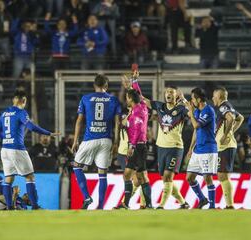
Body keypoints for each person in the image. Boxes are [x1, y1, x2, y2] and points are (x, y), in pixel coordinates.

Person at [128, 78, 189, 209]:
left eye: (172, 92)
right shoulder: (159, 106)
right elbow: (142, 99)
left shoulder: (181, 109)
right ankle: (183, 203)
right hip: (161, 147)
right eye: (167, 91)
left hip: (175, 148)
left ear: (176, 95)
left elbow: (194, 113)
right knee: (166, 179)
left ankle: (161, 205)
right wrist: (134, 82)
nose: (169, 94)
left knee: (168, 176)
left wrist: (184, 101)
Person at [0, 90, 60, 210]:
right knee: (30, 177)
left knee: (8, 178)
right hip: (17, 149)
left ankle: (10, 207)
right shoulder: (21, 112)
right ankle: (35, 206)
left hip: (5, 149)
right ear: (23, 101)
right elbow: (31, 126)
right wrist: (48, 133)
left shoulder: (4, 113)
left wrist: (8, 138)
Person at [71, 74, 121, 210]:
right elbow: (118, 122)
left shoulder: (86, 98)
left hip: (89, 139)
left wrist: (75, 140)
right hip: (106, 140)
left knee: (76, 166)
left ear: (94, 86)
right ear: (106, 86)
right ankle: (100, 206)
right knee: (102, 173)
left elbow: (79, 120)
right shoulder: (114, 100)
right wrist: (116, 142)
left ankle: (87, 197)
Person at [118, 69, 152, 209]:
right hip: (141, 146)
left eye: (127, 97)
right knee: (134, 175)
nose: (126, 99)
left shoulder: (136, 113)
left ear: (130, 99)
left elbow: (136, 131)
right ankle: (129, 203)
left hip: (137, 147)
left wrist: (131, 146)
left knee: (137, 176)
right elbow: (139, 95)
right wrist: (134, 82)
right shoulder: (143, 106)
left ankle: (133, 203)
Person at [181, 88, 218, 209]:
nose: (192, 101)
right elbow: (196, 131)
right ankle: (202, 199)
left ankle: (212, 206)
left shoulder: (209, 111)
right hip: (198, 150)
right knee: (189, 178)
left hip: (208, 149)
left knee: (207, 177)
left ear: (198, 99)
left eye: (193, 99)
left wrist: (191, 113)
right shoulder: (197, 111)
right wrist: (191, 148)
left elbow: (196, 124)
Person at [212, 87, 244, 209]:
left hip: (226, 146)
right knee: (224, 175)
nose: (212, 98)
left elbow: (231, 118)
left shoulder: (223, 107)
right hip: (226, 146)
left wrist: (226, 135)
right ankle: (229, 204)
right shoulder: (228, 106)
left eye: (214, 96)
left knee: (222, 175)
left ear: (219, 96)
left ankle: (230, 205)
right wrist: (231, 131)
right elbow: (240, 118)